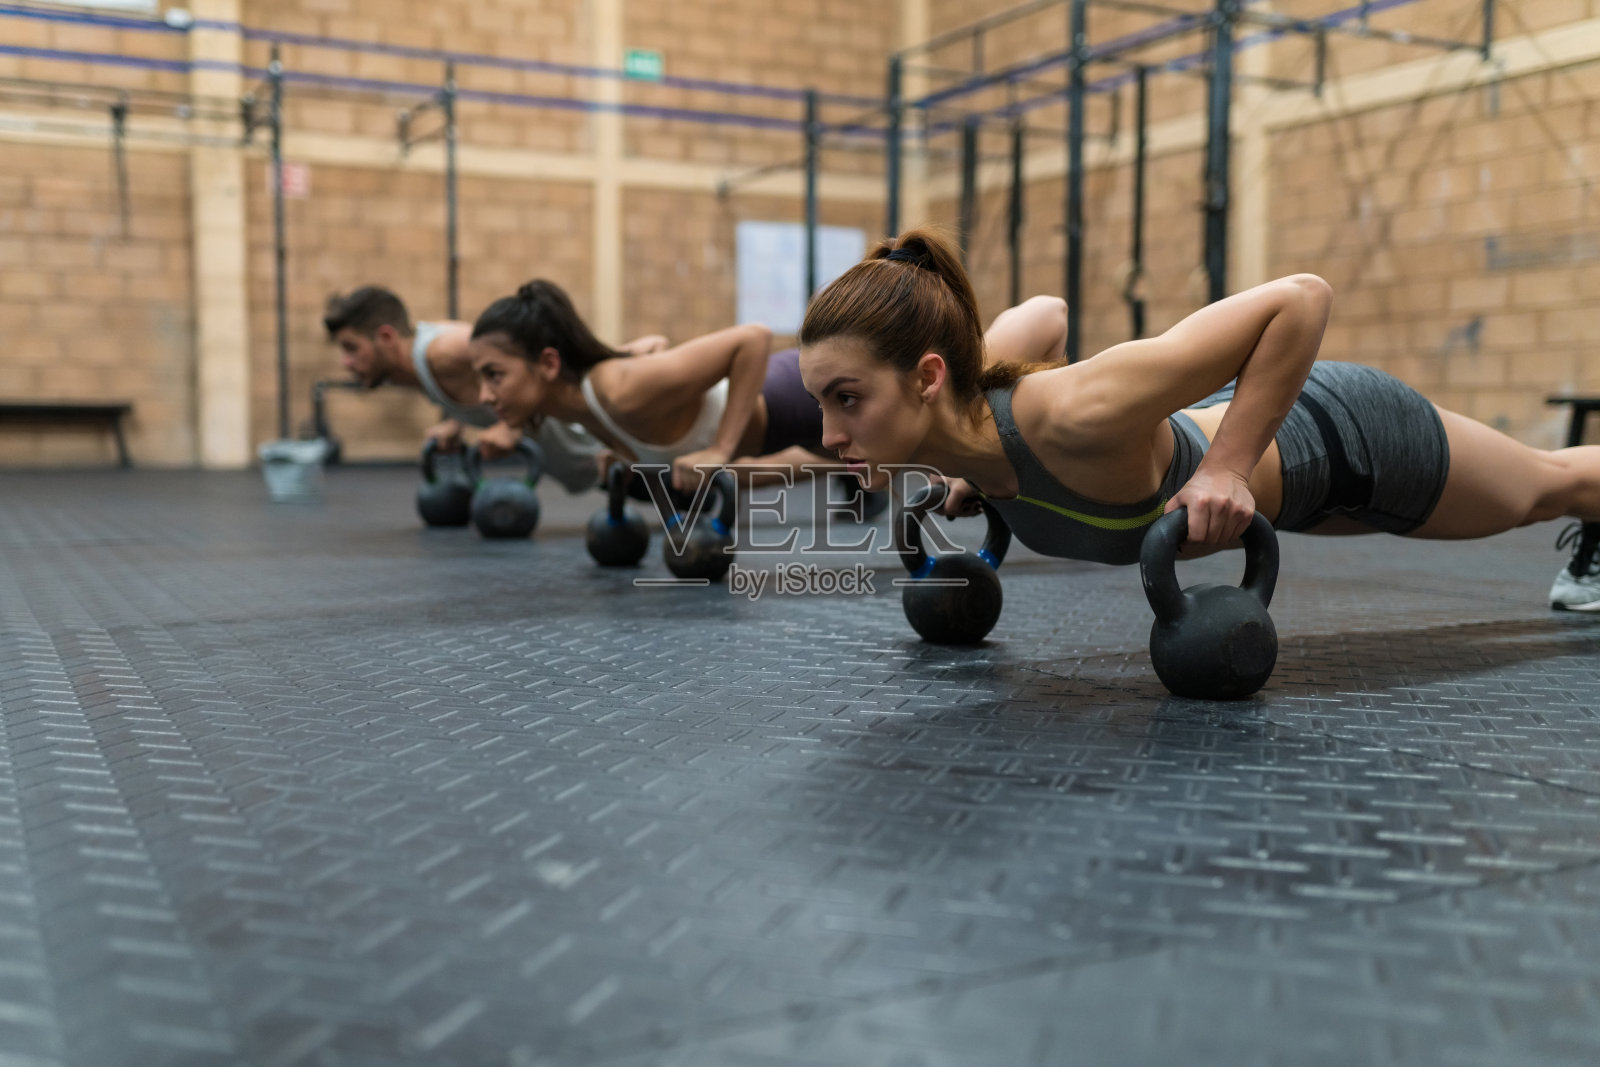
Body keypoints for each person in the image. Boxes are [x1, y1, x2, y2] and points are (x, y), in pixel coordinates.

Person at [795, 228, 1600, 610]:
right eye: (823, 400)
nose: (829, 435)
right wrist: (973, 467)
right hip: (1305, 499)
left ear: (926, 376)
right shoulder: (972, 410)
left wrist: (1225, 469)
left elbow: (1300, 299)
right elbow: (1044, 312)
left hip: (1343, 434)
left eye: (847, 398)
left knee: (1549, 487)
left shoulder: (1075, 411)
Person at [466, 280, 1075, 502]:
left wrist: (720, 447)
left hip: (786, 397)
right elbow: (650, 345)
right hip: (785, 434)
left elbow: (751, 339)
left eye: (494, 374)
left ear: (548, 364)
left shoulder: (619, 390)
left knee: (960, 404)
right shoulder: (581, 410)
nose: (485, 394)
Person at [322, 286, 667, 492]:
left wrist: (511, 427)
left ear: (386, 337)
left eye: (351, 348)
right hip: (593, 468)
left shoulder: (444, 349)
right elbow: (477, 382)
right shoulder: (411, 367)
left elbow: (520, 356)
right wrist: (456, 422)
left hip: (617, 450)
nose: (346, 363)